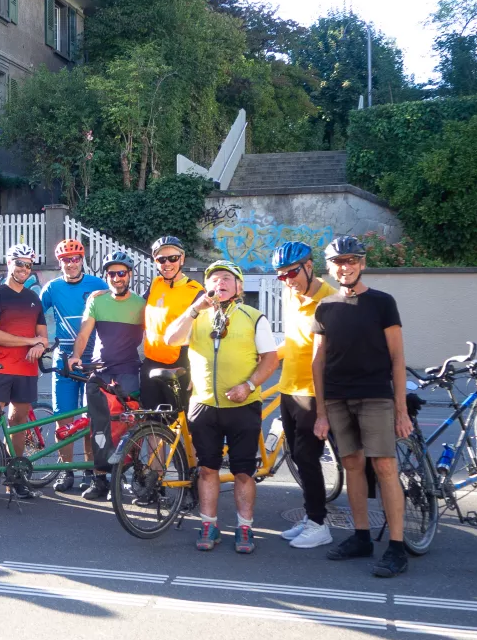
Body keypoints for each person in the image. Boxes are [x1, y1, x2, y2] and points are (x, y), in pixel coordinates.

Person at [312, 235, 413, 578]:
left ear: (362, 264)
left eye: (352, 260)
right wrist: (322, 412)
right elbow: (318, 362)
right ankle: (361, 537)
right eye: (339, 262)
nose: (346, 267)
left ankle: (397, 547)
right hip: (338, 397)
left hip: (375, 395)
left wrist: (401, 410)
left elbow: (398, 357)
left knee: (384, 466)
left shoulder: (383, 303)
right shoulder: (325, 307)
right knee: (352, 464)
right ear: (330, 268)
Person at [164, 260, 278, 554]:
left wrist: (249, 386)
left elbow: (270, 358)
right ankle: (209, 524)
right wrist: (193, 310)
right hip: (203, 404)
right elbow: (170, 339)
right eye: (214, 280)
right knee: (207, 469)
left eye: (227, 279)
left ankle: (244, 527)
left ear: (239, 287)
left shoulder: (254, 317)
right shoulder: (197, 317)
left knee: (243, 472)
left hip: (243, 405)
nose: (220, 284)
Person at [269, 242, 336, 549]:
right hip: (288, 386)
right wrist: (266, 360)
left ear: (310, 266)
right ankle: (311, 516)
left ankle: (320, 524)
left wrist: (324, 408)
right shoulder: (291, 294)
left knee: (308, 457)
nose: (287, 281)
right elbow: (294, 342)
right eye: (281, 276)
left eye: (292, 273)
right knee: (297, 456)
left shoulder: (332, 300)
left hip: (313, 391)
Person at [67, 251, 145, 501]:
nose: (116, 278)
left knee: (128, 425)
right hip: (101, 370)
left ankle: (127, 475)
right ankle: (99, 478)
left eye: (121, 273)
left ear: (130, 275)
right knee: (96, 425)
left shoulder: (141, 305)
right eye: (111, 274)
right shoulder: (97, 301)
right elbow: (84, 334)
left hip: (129, 370)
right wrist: (75, 356)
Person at [39, 238, 108, 493]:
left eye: (75, 258)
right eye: (66, 260)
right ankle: (65, 469)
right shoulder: (51, 288)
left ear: (82, 260)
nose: (71, 263)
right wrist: (39, 340)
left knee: (91, 418)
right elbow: (34, 315)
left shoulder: (97, 285)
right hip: (64, 360)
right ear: (60, 263)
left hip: (91, 362)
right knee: (63, 419)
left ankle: (91, 471)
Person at [0, 244, 49, 500]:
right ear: (8, 263)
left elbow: (44, 336)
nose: (24, 268)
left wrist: (40, 344)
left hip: (27, 370)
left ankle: (15, 477)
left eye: (28, 265)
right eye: (19, 263)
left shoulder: (33, 298)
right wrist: (31, 341)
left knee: (18, 423)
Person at [142, 236, 204, 410]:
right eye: (161, 259)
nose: (167, 263)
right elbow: (135, 306)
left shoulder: (196, 291)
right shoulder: (156, 284)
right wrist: (108, 294)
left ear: (182, 259)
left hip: (181, 365)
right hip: (151, 362)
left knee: (180, 422)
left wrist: (198, 372)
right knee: (153, 420)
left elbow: (205, 334)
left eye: (173, 258)